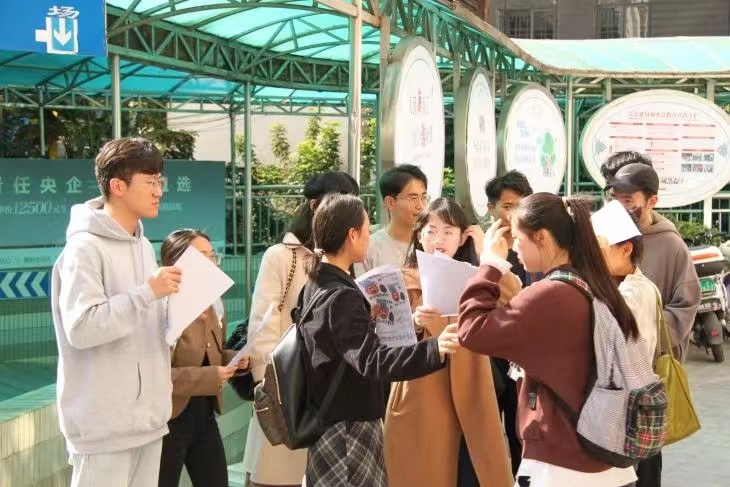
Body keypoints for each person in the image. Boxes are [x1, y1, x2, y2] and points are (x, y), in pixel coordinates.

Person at [458, 193, 640, 487]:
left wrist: (490, 264)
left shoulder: (548, 294)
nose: (514, 248)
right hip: (608, 458)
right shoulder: (595, 285)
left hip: (563, 466)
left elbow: (471, 330)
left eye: (517, 237)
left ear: (541, 237)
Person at [298, 193, 461, 487]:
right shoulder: (342, 296)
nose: (370, 237)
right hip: (349, 430)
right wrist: (433, 349)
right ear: (352, 235)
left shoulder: (315, 284)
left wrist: (368, 321)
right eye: (366, 228)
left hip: (328, 421)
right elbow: (371, 361)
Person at [51, 138, 180, 487]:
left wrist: (174, 316)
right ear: (117, 186)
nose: (158, 191)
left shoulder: (143, 245)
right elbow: (82, 328)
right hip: (103, 428)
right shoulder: (84, 248)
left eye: (160, 181)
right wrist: (147, 293)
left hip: (149, 421)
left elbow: (142, 319)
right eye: (150, 181)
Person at [384, 198, 515, 487]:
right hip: (422, 390)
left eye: (448, 232)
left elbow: (515, 298)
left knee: (473, 468)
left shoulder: (477, 276)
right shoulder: (402, 280)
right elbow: (388, 340)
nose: (438, 239)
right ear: (419, 235)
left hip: (471, 385)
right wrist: (417, 324)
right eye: (431, 231)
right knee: (427, 470)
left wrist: (486, 255)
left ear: (462, 237)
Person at [242, 171, 360, 487]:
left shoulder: (349, 258)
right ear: (313, 206)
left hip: (331, 399)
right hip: (288, 393)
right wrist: (269, 389)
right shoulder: (282, 256)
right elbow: (262, 326)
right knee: (278, 477)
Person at [604, 162, 700, 487]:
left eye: (629, 199)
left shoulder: (672, 245)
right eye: (616, 197)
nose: (621, 205)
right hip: (610, 375)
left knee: (645, 458)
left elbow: (686, 304)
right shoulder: (607, 234)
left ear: (652, 200)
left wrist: (649, 336)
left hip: (648, 375)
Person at [158, 229, 250, 487]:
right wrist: (209, 377)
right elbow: (155, 374)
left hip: (205, 415)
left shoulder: (214, 303)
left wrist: (236, 359)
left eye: (212, 256)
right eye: (202, 257)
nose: (211, 264)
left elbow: (214, 354)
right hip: (167, 421)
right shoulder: (161, 306)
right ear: (177, 262)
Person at [485, 170, 535, 476]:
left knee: (521, 434)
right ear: (490, 208)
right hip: (487, 353)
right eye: (507, 207)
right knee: (486, 433)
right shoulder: (480, 247)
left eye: (521, 206)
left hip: (523, 354)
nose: (514, 214)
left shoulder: (534, 245)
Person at [592, 201, 659, 361]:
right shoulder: (626, 284)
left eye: (600, 250)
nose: (593, 257)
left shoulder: (633, 294)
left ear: (626, 249)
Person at [355, 164, 429, 275]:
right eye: (413, 198)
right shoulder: (368, 248)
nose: (421, 206)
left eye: (424, 197)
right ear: (390, 202)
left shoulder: (432, 245)